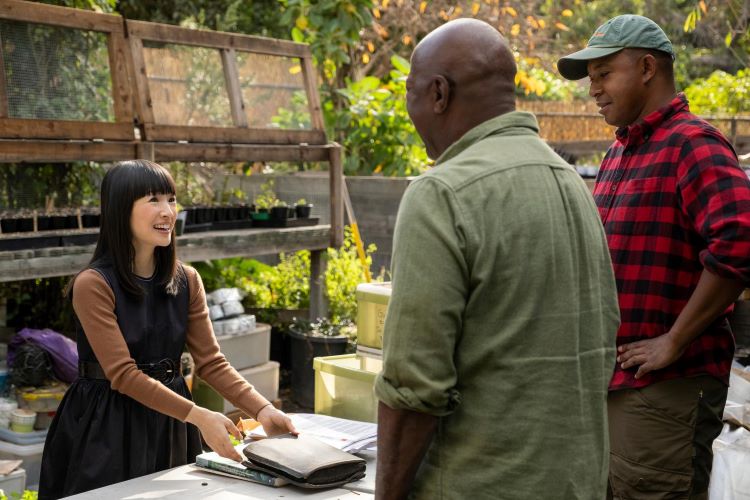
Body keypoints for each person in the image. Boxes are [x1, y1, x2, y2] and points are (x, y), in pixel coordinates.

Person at [373, 18, 620, 500]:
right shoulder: (571, 183)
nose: (411, 110)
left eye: (412, 93)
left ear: (439, 93)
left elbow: (413, 389)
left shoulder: (441, 193)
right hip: (578, 482)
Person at [557, 14, 750, 500]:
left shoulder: (694, 144)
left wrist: (674, 339)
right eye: (590, 80)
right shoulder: (618, 154)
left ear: (646, 68)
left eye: (604, 75)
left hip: (668, 388)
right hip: (617, 385)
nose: (594, 90)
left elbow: (741, 241)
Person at [39, 160, 296, 498]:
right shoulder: (94, 284)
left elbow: (211, 363)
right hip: (106, 424)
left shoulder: (187, 280)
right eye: (153, 200)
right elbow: (124, 375)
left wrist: (263, 410)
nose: (168, 212)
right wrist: (199, 416)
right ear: (120, 210)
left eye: (171, 199)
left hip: (170, 421)